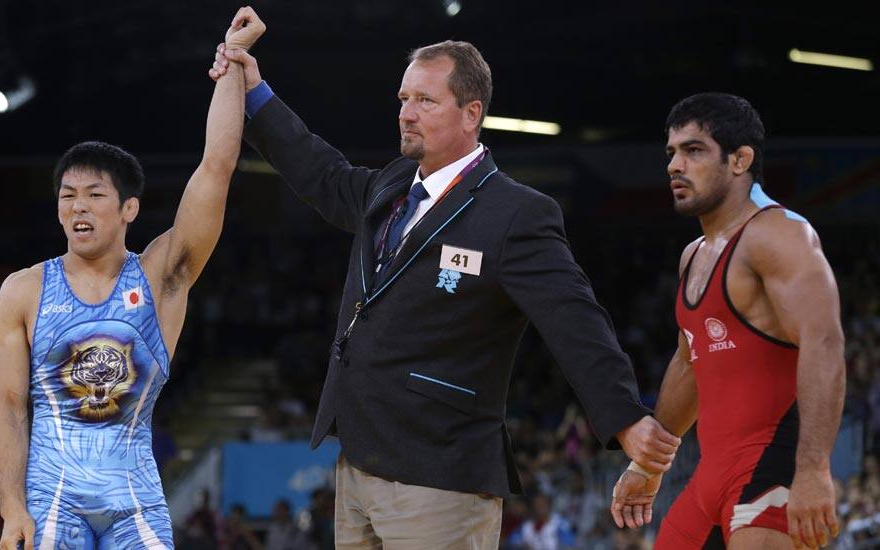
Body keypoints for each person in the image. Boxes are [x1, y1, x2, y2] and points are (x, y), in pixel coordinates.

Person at [209, 9, 679, 547]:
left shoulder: (516, 214)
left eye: (425, 101)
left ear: (471, 113)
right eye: (403, 100)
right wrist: (254, 89)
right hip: (359, 462)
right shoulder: (391, 185)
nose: (407, 114)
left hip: (441, 477)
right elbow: (321, 172)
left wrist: (625, 418)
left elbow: (576, 321)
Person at [0, 8, 264, 549]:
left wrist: (231, 63)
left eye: (94, 195)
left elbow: (216, 166)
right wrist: (11, 506)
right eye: (68, 196)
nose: (78, 208)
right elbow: (8, 406)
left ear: (129, 208)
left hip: (133, 498)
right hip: (50, 498)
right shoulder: (23, 290)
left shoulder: (162, 275)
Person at [610, 93, 846, 550]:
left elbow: (825, 343)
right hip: (709, 478)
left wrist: (813, 469)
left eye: (693, 150)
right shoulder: (693, 256)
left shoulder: (780, 235)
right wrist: (647, 465)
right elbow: (688, 365)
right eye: (671, 153)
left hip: (770, 471)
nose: (674, 165)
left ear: (740, 160)